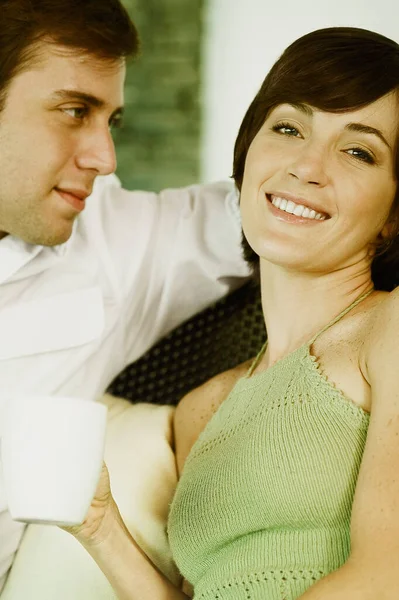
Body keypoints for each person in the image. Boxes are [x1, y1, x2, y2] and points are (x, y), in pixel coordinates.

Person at [65, 26, 399, 600]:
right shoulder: (203, 407)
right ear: (246, 158)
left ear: (394, 212)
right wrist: (99, 527)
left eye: (358, 150)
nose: (307, 166)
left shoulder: (388, 332)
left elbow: (385, 576)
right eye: (289, 128)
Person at [0, 0, 251, 592]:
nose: (104, 159)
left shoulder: (110, 241)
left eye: (108, 120)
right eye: (73, 110)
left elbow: (280, 205)